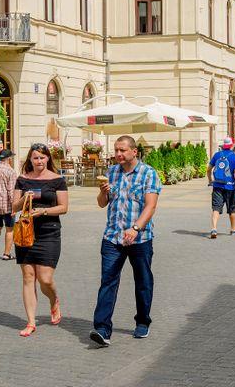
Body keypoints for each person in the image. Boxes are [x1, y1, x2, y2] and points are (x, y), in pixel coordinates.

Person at [90, 135, 161, 347]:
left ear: (134, 152)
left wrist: (136, 228)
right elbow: (102, 203)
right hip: (112, 236)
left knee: (143, 281)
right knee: (108, 281)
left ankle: (142, 321)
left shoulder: (148, 173)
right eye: (116, 150)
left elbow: (151, 206)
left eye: (122, 150)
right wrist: (103, 193)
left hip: (140, 238)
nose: (118, 154)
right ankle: (102, 329)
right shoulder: (112, 172)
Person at [13, 143, 69, 338]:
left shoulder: (57, 180)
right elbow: (14, 207)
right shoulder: (22, 180)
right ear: (30, 159)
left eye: (42, 158)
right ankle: (30, 321)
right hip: (26, 232)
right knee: (28, 277)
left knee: (45, 279)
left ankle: (54, 301)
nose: (39, 161)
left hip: (49, 232)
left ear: (48, 159)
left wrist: (43, 210)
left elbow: (63, 207)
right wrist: (24, 200)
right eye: (35, 158)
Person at [208, 137, 235, 238]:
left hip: (217, 185)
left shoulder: (217, 155)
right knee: (232, 209)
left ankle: (214, 229)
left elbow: (208, 169)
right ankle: (233, 229)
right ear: (232, 145)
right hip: (230, 187)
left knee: (216, 208)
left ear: (223, 145)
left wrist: (210, 181)